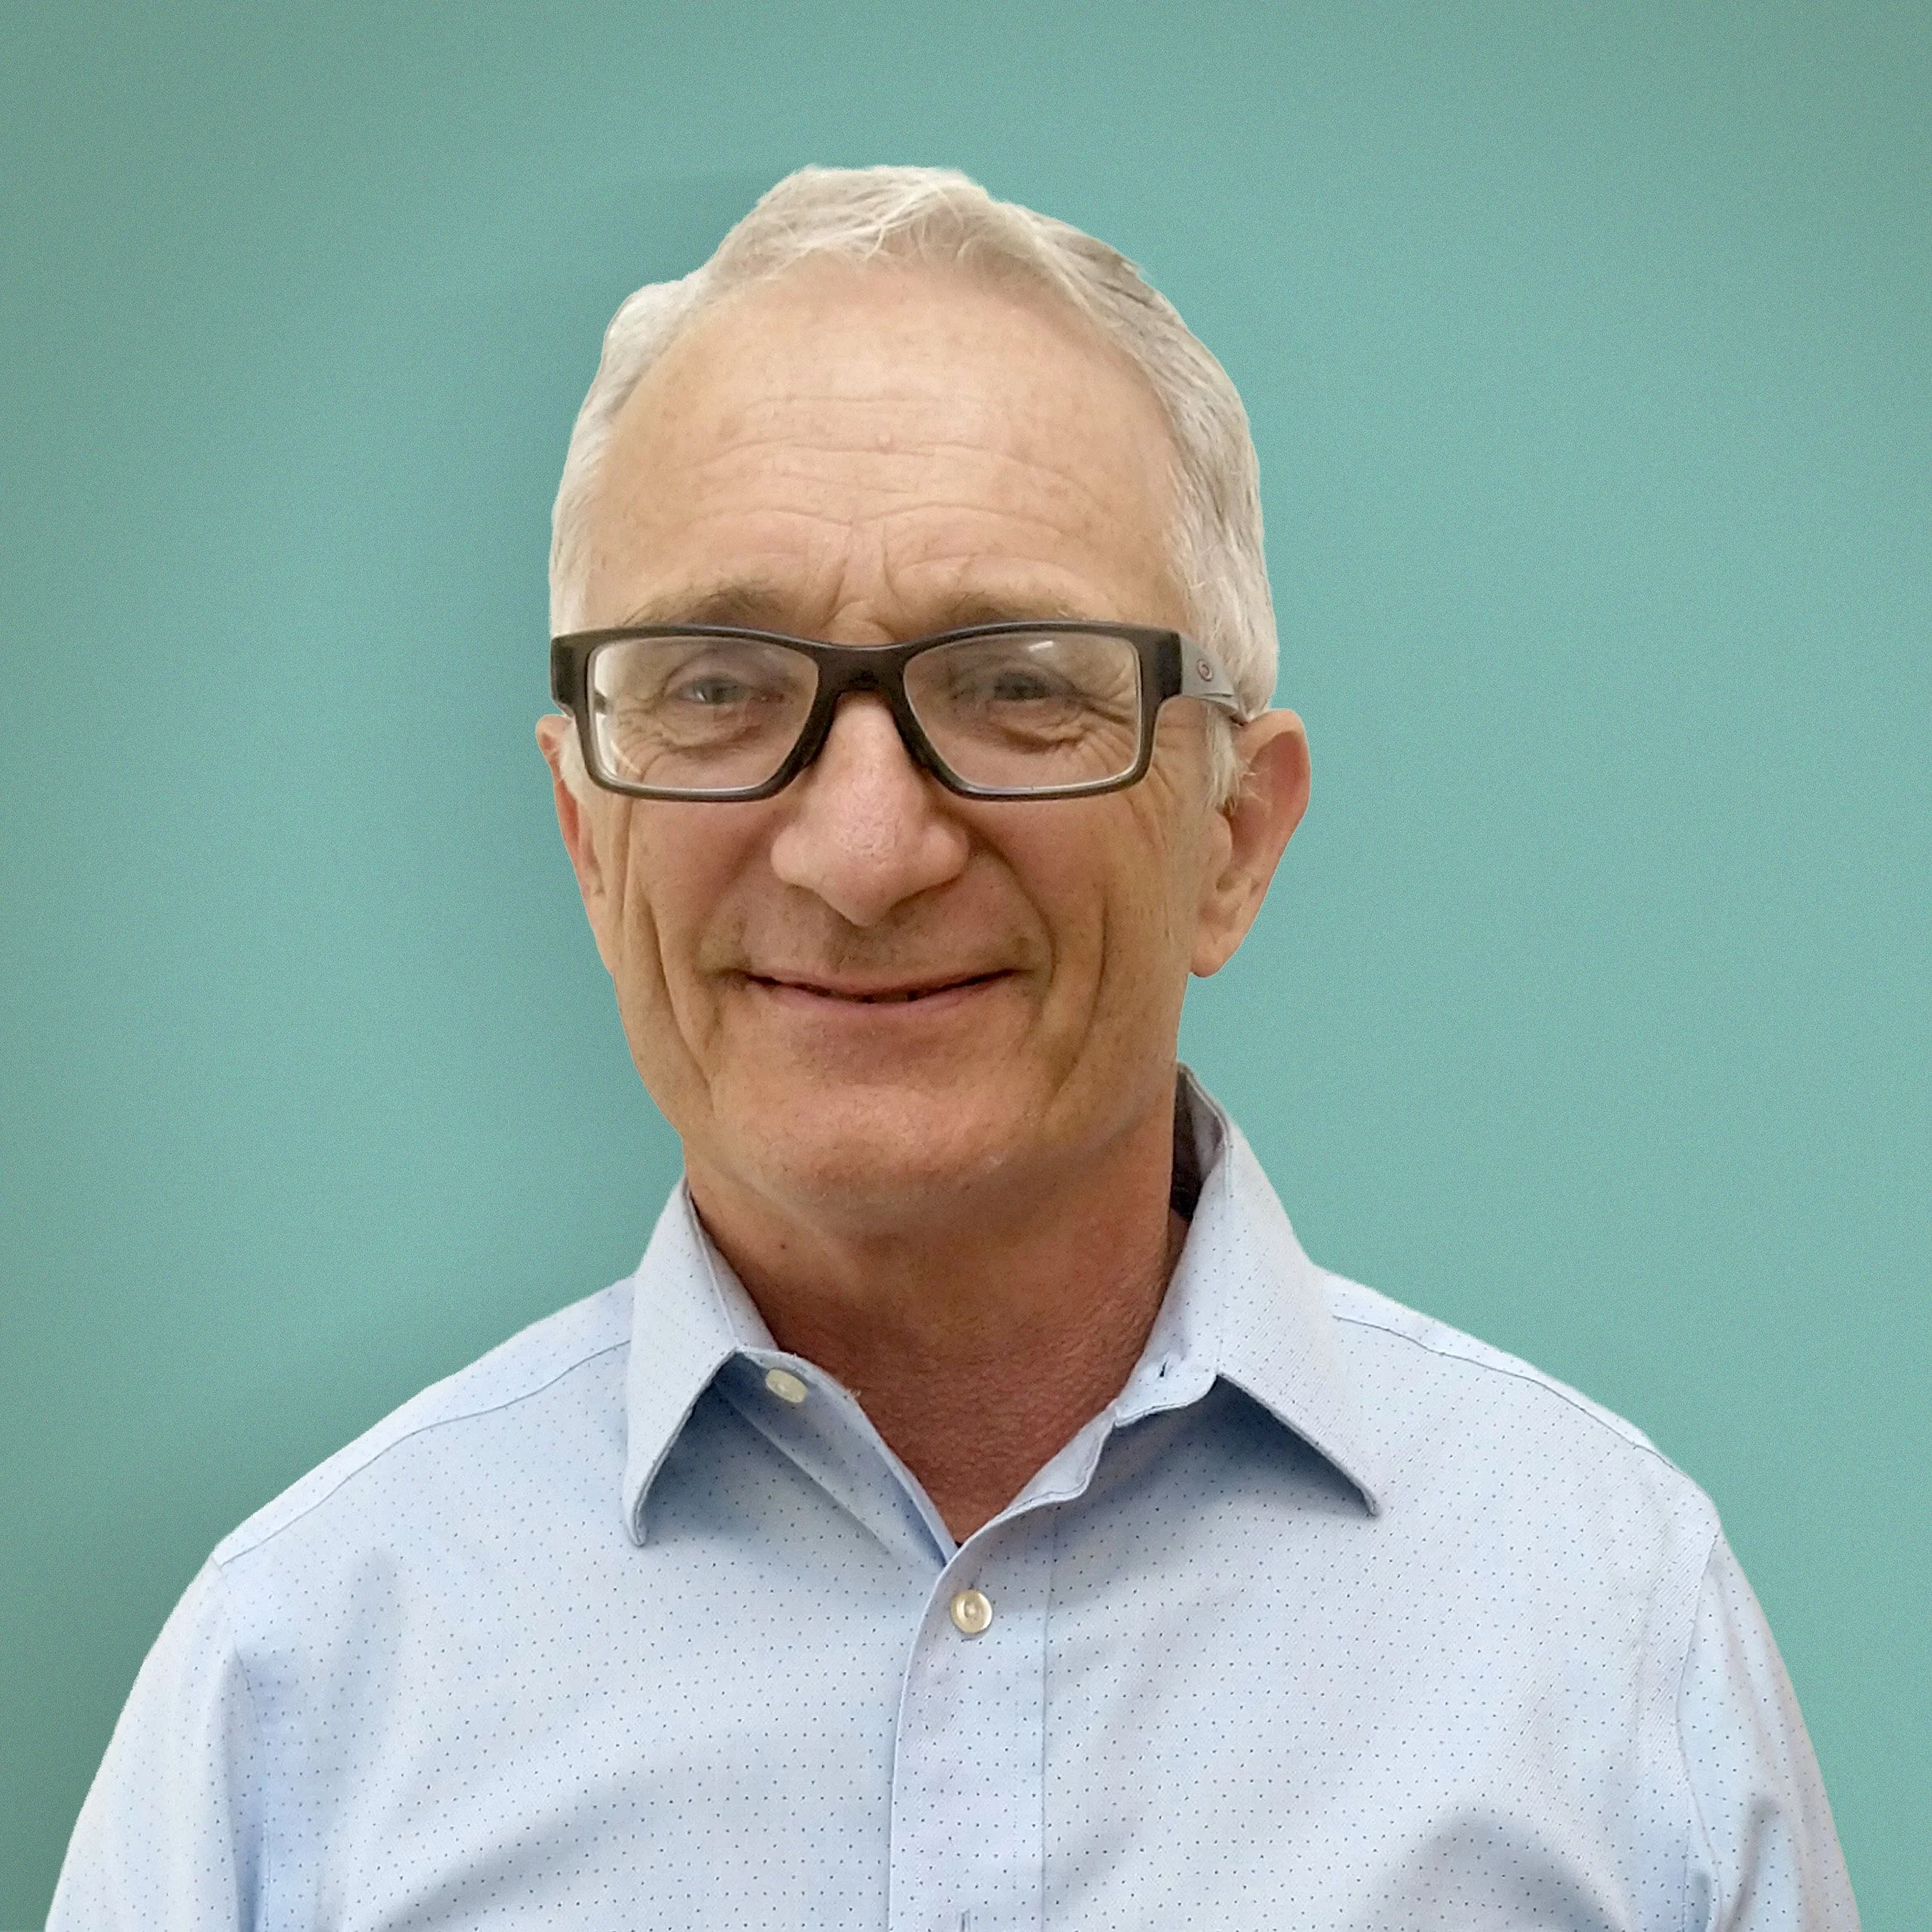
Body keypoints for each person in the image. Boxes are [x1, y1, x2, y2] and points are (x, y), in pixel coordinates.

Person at [51, 165, 1857, 1931]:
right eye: (713, 687)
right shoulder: (288, 1697)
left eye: (1016, 685)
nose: (860, 851)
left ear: (1232, 836)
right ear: (588, 837)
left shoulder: (1614, 1639)